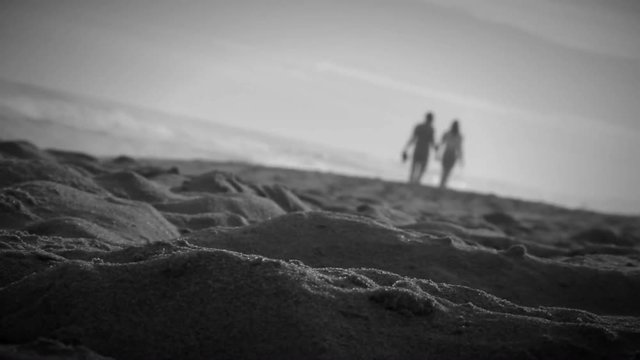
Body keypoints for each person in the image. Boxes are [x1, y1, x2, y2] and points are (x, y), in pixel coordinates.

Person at [402, 112, 437, 184]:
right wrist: (436, 149)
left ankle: (411, 180)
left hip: (418, 148)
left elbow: (413, 138)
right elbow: (432, 142)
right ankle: (417, 181)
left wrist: (406, 148)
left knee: (413, 166)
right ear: (431, 120)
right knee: (422, 168)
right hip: (425, 150)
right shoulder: (431, 129)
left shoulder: (419, 126)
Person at [437, 120, 464, 189]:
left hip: (451, 154)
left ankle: (442, 184)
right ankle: (442, 184)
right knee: (445, 170)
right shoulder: (449, 134)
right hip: (448, 154)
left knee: (447, 171)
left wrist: (461, 159)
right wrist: (438, 154)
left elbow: (459, 148)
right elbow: (441, 144)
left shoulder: (457, 136)